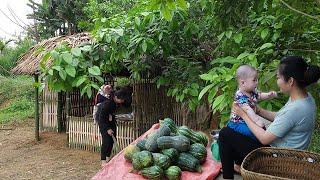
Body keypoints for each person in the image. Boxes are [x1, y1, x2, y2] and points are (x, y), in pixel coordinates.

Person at [218, 56, 320, 179]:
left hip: (278, 159)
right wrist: (259, 110)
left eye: (278, 77)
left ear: (291, 81)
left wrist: (243, 115)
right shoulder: (305, 98)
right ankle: (240, 166)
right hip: (288, 153)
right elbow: (280, 117)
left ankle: (228, 176)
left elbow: (265, 139)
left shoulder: (296, 109)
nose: (277, 81)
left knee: (225, 134)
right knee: (238, 133)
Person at [227, 65, 277, 141]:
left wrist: (268, 95)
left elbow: (259, 95)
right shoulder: (240, 96)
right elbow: (248, 110)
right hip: (238, 123)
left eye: (257, 80)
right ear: (243, 83)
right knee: (253, 133)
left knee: (260, 129)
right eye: (254, 80)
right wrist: (257, 121)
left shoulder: (252, 91)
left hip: (248, 120)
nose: (257, 83)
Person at [95, 87, 132, 167]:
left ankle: (108, 157)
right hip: (102, 120)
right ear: (116, 97)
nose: (122, 102)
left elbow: (126, 104)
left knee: (113, 138)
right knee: (106, 140)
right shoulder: (107, 103)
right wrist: (107, 128)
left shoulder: (117, 98)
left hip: (110, 118)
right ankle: (103, 160)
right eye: (121, 100)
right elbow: (101, 118)